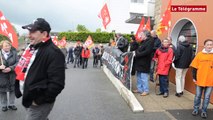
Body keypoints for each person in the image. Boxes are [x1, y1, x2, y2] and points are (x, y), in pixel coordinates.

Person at [15, 18, 65, 120]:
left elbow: (57, 84)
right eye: (29, 31)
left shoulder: (54, 53)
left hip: (38, 102)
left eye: (33, 32)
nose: (29, 35)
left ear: (44, 34)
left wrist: (39, 100)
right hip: (28, 97)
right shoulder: (32, 48)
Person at [190, 39, 213, 119]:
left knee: (207, 97)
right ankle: (196, 109)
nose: (209, 46)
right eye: (208, 44)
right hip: (199, 80)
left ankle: (204, 111)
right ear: (205, 45)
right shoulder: (199, 55)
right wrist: (194, 78)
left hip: (210, 81)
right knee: (197, 96)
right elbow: (194, 67)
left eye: (211, 44)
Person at [133, 30, 154, 96]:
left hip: (144, 62)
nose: (140, 36)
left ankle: (146, 90)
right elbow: (138, 49)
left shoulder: (150, 42)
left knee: (144, 77)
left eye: (141, 35)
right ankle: (139, 89)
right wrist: (136, 52)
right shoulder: (143, 41)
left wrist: (137, 54)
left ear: (145, 35)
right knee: (139, 76)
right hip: (139, 62)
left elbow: (147, 52)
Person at [0, 40, 18, 112]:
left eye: (9, 45)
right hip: (1, 76)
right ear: (2, 46)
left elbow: (18, 62)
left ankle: (11, 104)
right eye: (6, 46)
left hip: (12, 75)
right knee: (2, 91)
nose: (8, 47)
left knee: (12, 90)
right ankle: (4, 105)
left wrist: (11, 68)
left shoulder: (14, 53)